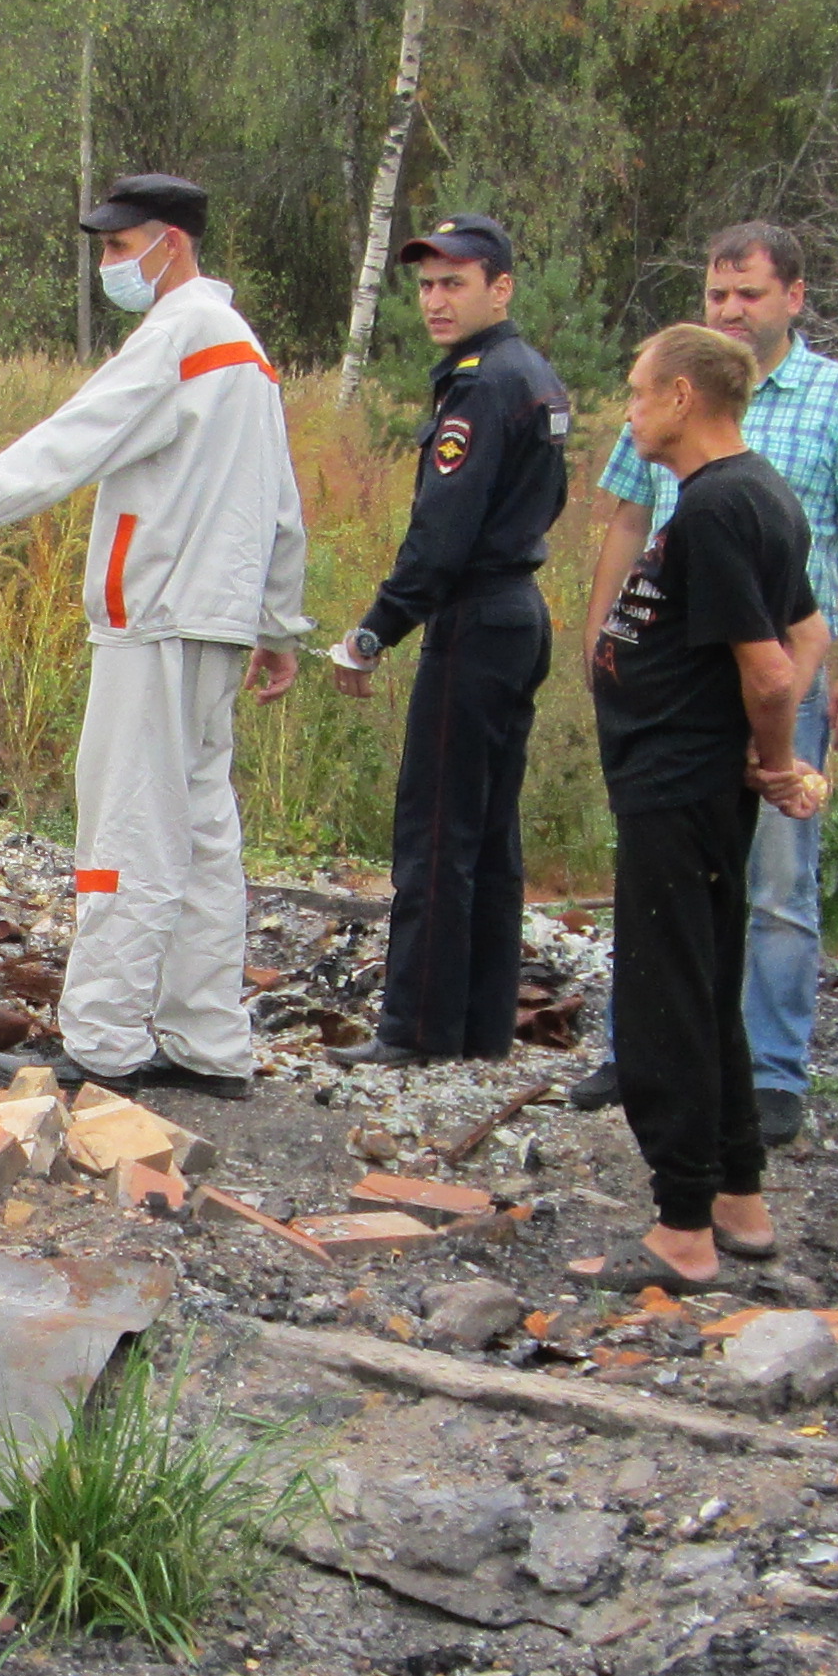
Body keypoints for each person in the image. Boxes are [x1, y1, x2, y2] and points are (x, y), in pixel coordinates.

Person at [0, 171, 307, 1096]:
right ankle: (208, 1044)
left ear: (170, 244)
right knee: (202, 836)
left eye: (117, 245)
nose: (108, 263)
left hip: (156, 619)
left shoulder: (180, 336)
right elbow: (282, 499)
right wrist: (274, 617)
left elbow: (69, 442)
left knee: (128, 832)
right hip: (209, 620)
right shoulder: (247, 351)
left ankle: (103, 1044)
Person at [569, 224, 838, 1149]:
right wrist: (604, 636)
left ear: (794, 296)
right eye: (718, 294)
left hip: (762, 678)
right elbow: (631, 513)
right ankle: (640, 1051)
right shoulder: (668, 388)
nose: (729, 309)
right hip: (676, 669)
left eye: (748, 294)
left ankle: (767, 1074)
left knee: (774, 881)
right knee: (662, 882)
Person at [588, 322, 827, 1288]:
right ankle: (739, 1196)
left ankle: (681, 1229)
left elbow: (773, 669)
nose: (631, 410)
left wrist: (768, 758)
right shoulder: (756, 492)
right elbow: (809, 629)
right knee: (708, 974)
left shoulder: (725, 505)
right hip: (691, 776)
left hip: (679, 783)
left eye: (641, 392)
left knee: (663, 995)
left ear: (684, 396)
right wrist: (759, 753)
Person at [326, 212, 568, 1064]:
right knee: (489, 834)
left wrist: (372, 633)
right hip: (515, 614)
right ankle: (478, 1025)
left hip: (475, 616)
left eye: (454, 283)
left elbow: (441, 536)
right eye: (426, 284)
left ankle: (417, 1030)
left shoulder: (481, 384)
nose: (435, 299)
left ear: (499, 288)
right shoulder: (530, 374)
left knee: (436, 831)